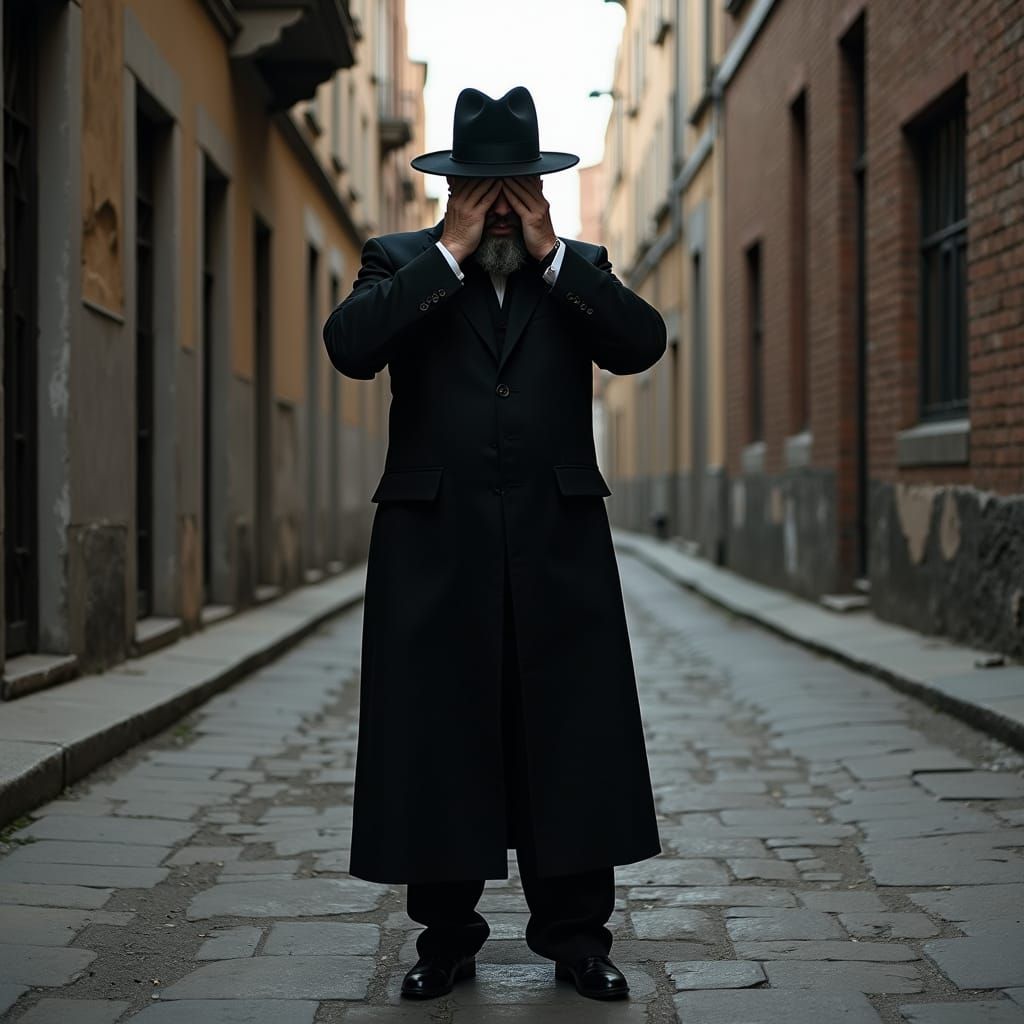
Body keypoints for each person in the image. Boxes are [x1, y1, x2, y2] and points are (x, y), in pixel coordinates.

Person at [322, 85, 665, 1002]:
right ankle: (446, 939)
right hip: (434, 551)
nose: (501, 209)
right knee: (439, 736)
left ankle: (577, 939)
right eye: (483, 191)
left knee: (569, 734)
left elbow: (641, 344)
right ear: (452, 191)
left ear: (541, 190)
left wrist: (555, 258)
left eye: (517, 190)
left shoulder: (579, 269)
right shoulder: (399, 261)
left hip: (558, 546)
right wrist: (448, 252)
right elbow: (350, 347)